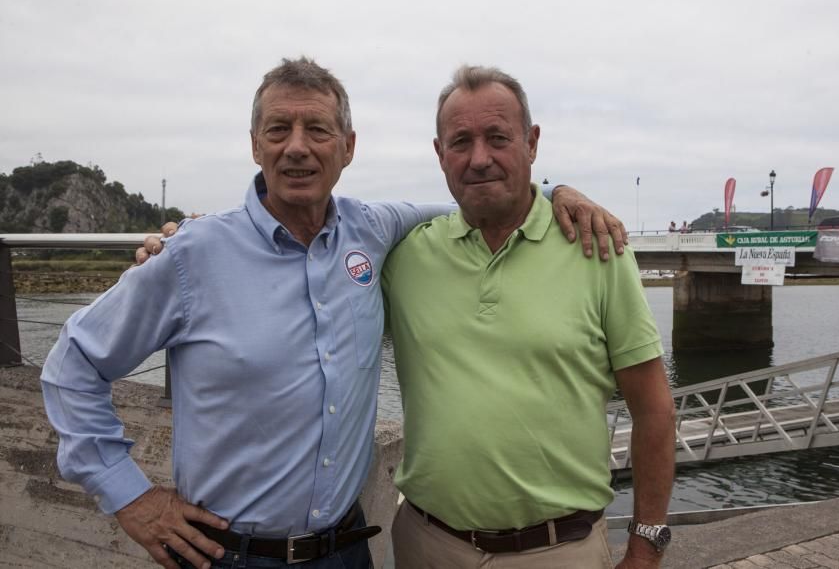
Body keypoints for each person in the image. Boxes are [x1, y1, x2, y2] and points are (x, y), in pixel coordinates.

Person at [40, 57, 625, 569]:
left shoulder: (374, 229)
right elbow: (72, 364)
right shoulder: (192, 255)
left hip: (347, 551)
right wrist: (131, 497)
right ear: (255, 144)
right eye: (279, 129)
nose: (297, 146)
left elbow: (481, 192)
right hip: (229, 556)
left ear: (348, 146)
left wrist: (558, 192)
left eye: (317, 129)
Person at [382, 65, 676, 568]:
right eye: (460, 142)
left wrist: (646, 547)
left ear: (532, 142)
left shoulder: (596, 249)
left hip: (560, 551)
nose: (479, 158)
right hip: (427, 547)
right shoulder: (406, 257)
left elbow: (653, 409)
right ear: (439, 154)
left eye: (498, 138)